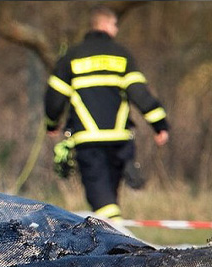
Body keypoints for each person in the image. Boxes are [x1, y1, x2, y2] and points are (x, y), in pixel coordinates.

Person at [44, 4, 169, 222]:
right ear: (104, 24)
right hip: (119, 142)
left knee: (102, 201)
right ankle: (116, 228)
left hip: (89, 141)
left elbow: (54, 98)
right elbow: (140, 94)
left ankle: (117, 231)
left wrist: (52, 124)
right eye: (114, 24)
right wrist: (160, 125)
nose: (116, 29)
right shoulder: (121, 56)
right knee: (109, 197)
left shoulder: (72, 56)